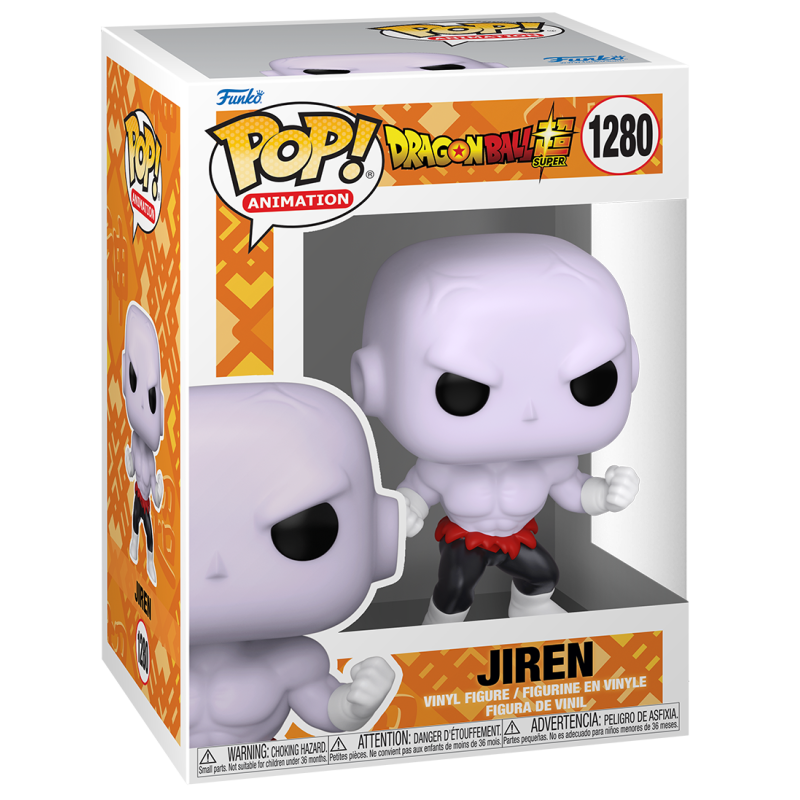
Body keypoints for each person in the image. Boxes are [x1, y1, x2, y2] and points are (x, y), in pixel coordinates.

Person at [351, 233, 640, 623]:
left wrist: (607, 495)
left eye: (591, 382)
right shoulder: (443, 466)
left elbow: (576, 492)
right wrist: (404, 515)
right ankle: (440, 630)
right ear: (375, 382)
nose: (530, 412)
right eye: (463, 391)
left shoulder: (551, 462)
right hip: (465, 541)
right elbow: (414, 495)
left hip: (517, 538)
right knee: (455, 590)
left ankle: (529, 610)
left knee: (543, 575)